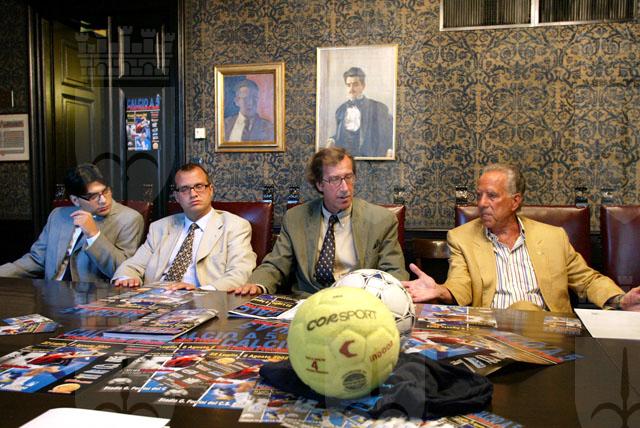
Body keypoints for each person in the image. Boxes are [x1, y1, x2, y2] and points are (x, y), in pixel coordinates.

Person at [403, 164, 640, 312]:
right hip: (491, 335)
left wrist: (620, 300)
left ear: (515, 201)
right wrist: (441, 291)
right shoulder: (462, 238)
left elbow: (588, 281)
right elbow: (460, 284)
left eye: (492, 196)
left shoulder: (553, 237)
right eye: (479, 195)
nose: (482, 203)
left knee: (526, 309)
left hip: (549, 334)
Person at [230, 147, 407, 296]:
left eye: (348, 177)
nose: (345, 188)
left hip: (358, 303)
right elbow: (276, 265)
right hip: (308, 302)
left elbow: (395, 272)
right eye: (335, 179)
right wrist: (257, 285)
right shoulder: (296, 218)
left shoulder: (381, 220)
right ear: (319, 184)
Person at [113, 163, 256, 291]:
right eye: (185, 189)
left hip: (203, 302)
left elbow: (240, 273)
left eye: (199, 186)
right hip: (154, 299)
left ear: (211, 190)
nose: (193, 194)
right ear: (177, 196)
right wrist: (127, 278)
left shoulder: (234, 226)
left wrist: (200, 291)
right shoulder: (160, 227)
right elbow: (132, 265)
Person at [0, 164, 144, 282]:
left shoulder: (129, 219)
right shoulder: (58, 216)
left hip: (93, 299)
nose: (103, 200)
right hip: (51, 294)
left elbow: (124, 270)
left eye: (105, 191)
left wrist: (94, 235)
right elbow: (36, 260)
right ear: (75, 200)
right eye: (93, 196)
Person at [327, 67, 393, 158]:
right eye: (348, 85)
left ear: (363, 86)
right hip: (346, 160)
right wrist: (332, 140)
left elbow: (388, 135)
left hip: (369, 159)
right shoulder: (340, 110)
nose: (351, 89)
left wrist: (390, 150)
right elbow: (341, 136)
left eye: (355, 84)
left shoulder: (378, 108)